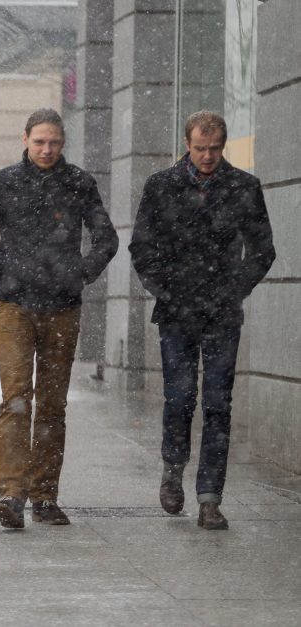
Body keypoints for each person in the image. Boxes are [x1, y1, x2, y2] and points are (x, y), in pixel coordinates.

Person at [0, 108, 118, 529]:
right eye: (39, 142)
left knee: (52, 404)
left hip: (62, 306)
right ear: (25, 140)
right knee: (16, 398)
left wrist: (80, 272)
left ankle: (46, 496)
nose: (46, 149)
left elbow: (106, 238)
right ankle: (11, 494)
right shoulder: (4, 182)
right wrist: (3, 267)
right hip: (14, 305)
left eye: (53, 142)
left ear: (62, 143)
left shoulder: (79, 183)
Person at [129, 111, 275, 530]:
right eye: (200, 148)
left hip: (222, 311)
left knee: (217, 403)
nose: (207, 156)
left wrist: (234, 288)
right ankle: (173, 468)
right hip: (176, 311)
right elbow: (142, 246)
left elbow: (263, 250)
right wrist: (165, 287)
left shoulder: (243, 187)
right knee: (179, 397)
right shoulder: (162, 186)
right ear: (187, 145)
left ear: (223, 146)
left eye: (214, 149)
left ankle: (210, 496)